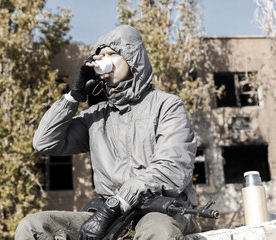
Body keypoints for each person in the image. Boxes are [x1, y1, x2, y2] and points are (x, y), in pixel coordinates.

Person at [15, 25, 200, 240]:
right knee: (34, 226)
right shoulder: (96, 117)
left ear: (133, 59)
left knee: (157, 231)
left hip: (159, 209)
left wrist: (118, 202)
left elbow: (171, 167)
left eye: (112, 54)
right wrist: (73, 96)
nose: (104, 60)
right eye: (100, 55)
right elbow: (45, 142)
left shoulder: (167, 106)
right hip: (108, 217)